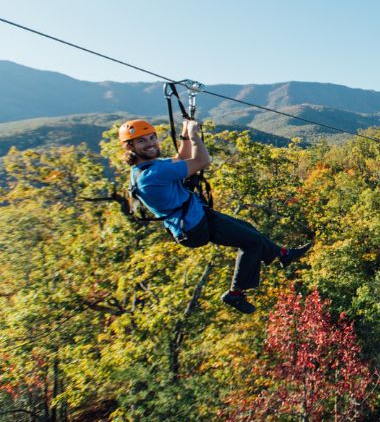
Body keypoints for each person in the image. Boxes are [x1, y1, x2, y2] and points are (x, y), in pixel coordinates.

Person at [118, 118, 311, 314]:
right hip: (194, 226)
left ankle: (283, 255)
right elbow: (203, 161)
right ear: (129, 146)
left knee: (248, 230)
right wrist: (194, 136)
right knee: (251, 242)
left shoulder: (142, 170)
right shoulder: (154, 173)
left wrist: (185, 131)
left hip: (193, 219)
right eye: (142, 141)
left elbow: (180, 158)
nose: (151, 143)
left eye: (152, 138)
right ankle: (235, 294)